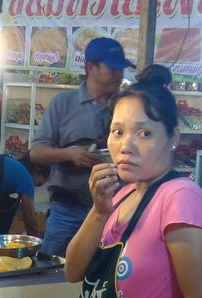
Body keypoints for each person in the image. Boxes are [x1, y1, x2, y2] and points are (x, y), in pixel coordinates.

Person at [64, 64, 202, 298]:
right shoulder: (121, 194)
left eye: (144, 133)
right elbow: (73, 271)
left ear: (173, 138)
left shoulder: (180, 198)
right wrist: (98, 210)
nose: (126, 146)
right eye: (117, 131)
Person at [30, 37, 134, 257]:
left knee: (108, 273)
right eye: (112, 68)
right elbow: (36, 152)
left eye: (121, 69)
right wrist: (69, 154)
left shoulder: (127, 106)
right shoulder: (63, 104)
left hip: (116, 209)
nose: (119, 74)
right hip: (69, 209)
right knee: (53, 271)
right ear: (90, 67)